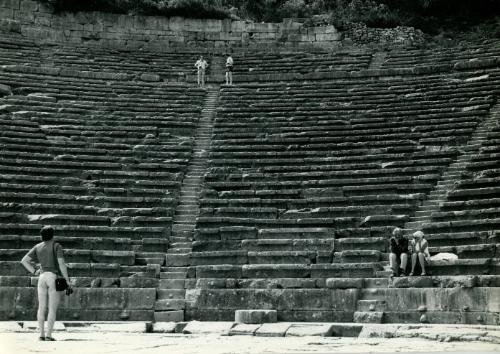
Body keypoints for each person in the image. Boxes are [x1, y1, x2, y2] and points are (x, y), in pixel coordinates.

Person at [21, 226, 71, 341]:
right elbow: (62, 264)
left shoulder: (37, 246)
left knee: (41, 307)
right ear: (53, 235)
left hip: (42, 277)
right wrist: (67, 280)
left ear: (41, 235)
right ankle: (49, 335)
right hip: (53, 277)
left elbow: (24, 261)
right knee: (52, 308)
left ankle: (41, 334)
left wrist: (34, 271)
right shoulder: (56, 246)